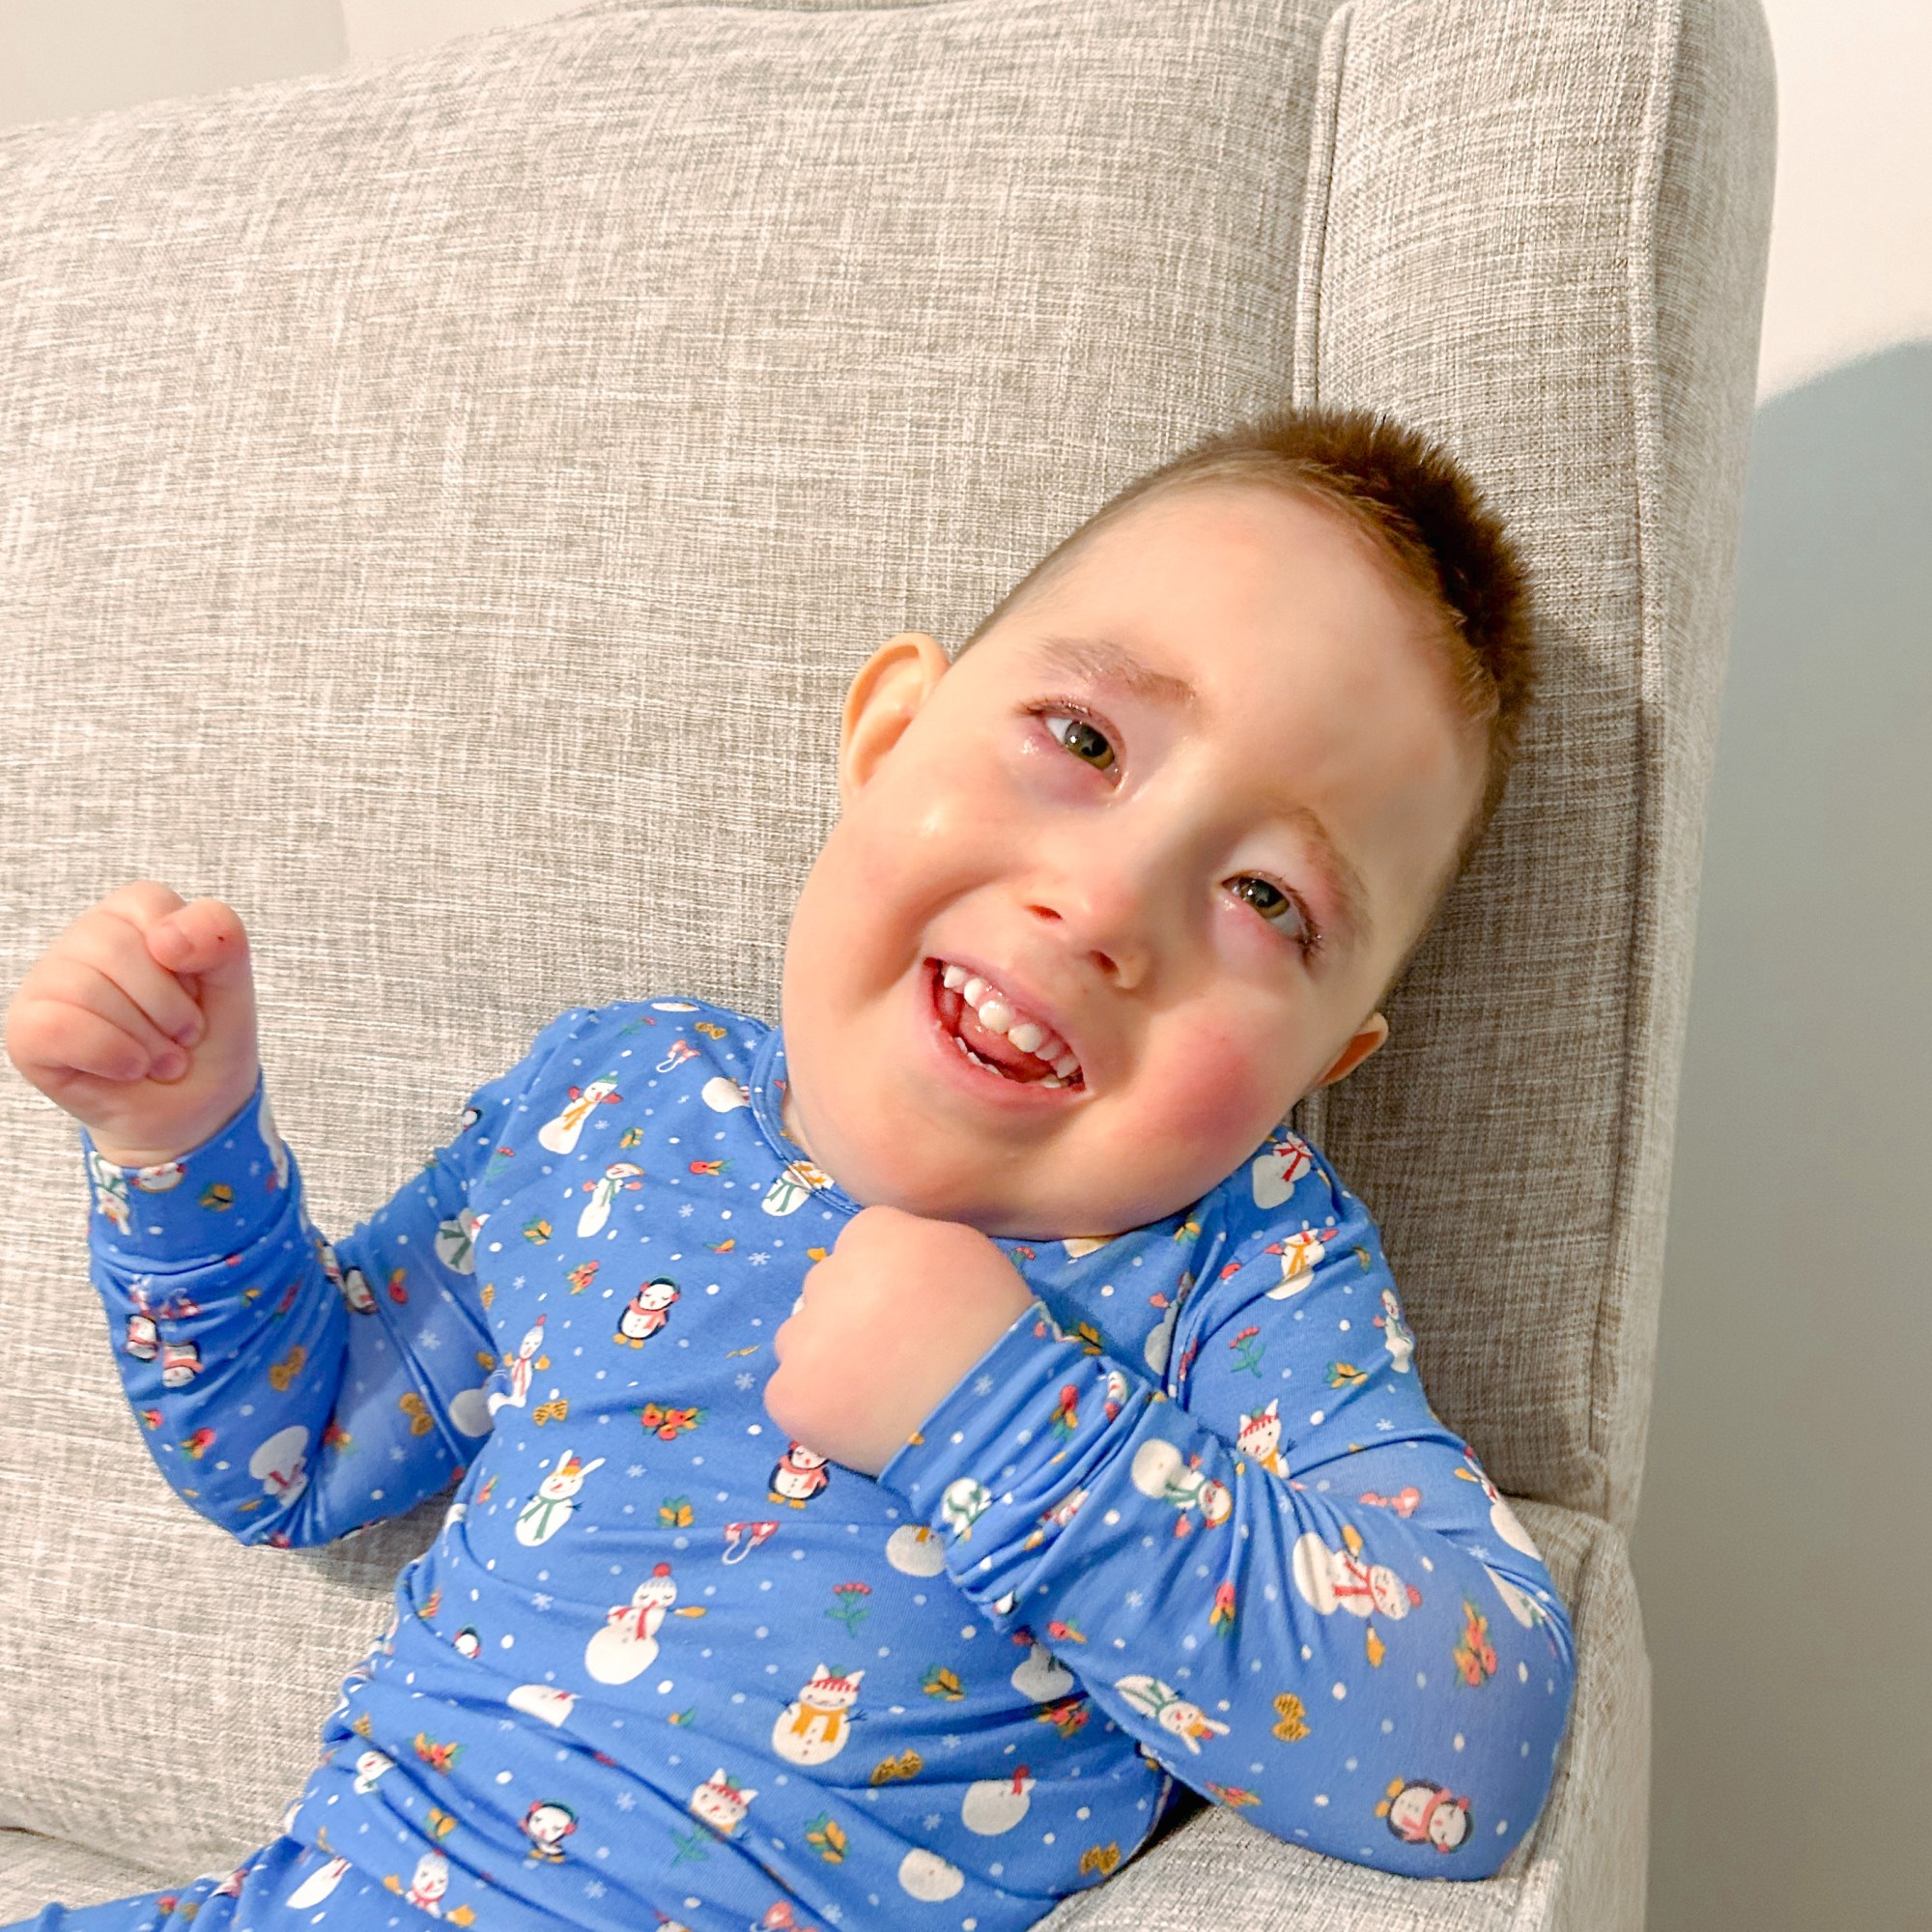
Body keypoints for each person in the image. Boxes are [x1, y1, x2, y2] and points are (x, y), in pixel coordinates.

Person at [2, 406, 1575, 1932]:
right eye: (1086, 740)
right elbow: (292, 1451)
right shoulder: (615, 1101)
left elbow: (1479, 1740)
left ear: (1321, 1066)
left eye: (1266, 897)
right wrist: (179, 1147)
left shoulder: (1243, 1268)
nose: (1108, 904)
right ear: (887, 740)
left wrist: (1002, 1414)